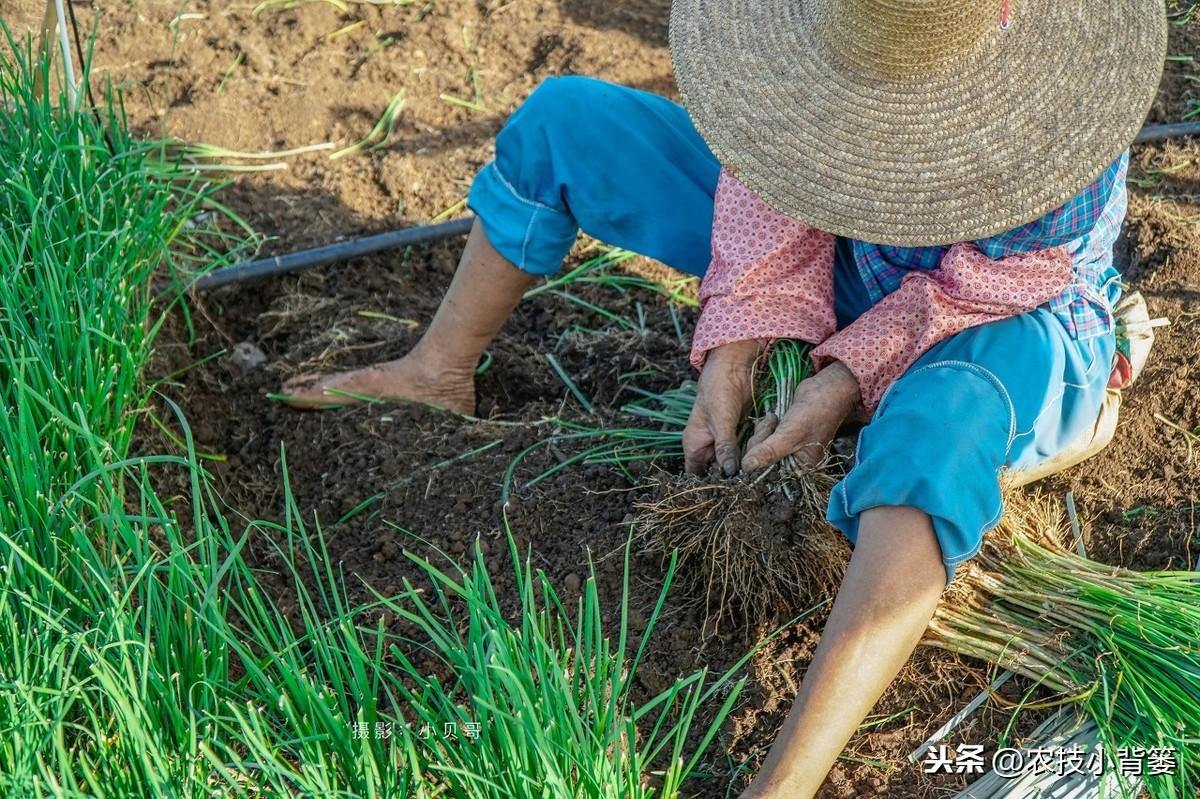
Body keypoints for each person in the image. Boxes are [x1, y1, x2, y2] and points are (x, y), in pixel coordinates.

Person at [282, 0, 1167, 795]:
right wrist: (736, 346)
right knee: (566, 124)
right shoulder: (832, 33)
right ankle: (438, 369)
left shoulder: (1059, 101)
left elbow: (989, 284)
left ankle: (784, 781)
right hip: (855, 253)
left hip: (1006, 312)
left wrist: (841, 378)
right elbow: (767, 168)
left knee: (935, 436)